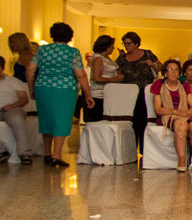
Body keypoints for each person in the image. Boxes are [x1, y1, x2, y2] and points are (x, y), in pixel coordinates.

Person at [25, 22, 94, 168]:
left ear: (52, 34)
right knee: (61, 120)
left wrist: (32, 87)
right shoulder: (72, 52)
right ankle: (57, 155)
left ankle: (47, 154)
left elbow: (30, 69)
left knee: (46, 119)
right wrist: (87, 93)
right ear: (69, 36)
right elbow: (80, 74)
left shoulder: (42, 50)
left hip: (43, 87)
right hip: (65, 89)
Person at [151, 59, 192, 172]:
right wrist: (175, 112)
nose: (173, 72)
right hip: (167, 115)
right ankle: (182, 161)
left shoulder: (184, 85)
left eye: (176, 70)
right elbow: (158, 109)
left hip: (184, 114)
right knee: (181, 125)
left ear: (179, 73)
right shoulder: (159, 84)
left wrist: (187, 113)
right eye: (170, 69)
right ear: (165, 72)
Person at [116, 31, 160, 154]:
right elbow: (117, 73)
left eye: (128, 43)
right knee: (131, 121)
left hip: (145, 93)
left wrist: (153, 64)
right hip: (129, 94)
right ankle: (130, 149)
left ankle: (144, 149)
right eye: (124, 44)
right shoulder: (122, 59)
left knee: (144, 120)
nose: (126, 46)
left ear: (136, 43)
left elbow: (161, 67)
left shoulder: (147, 54)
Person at [0, 56, 33, 164]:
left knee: (17, 119)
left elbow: (24, 98)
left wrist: (12, 106)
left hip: (12, 109)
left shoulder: (13, 81)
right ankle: (2, 151)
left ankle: (24, 153)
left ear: (2, 68)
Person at [85, 35, 125, 123]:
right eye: (112, 46)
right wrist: (115, 79)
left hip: (107, 94)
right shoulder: (98, 59)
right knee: (98, 121)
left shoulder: (106, 58)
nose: (113, 48)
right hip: (99, 95)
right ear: (106, 47)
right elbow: (96, 78)